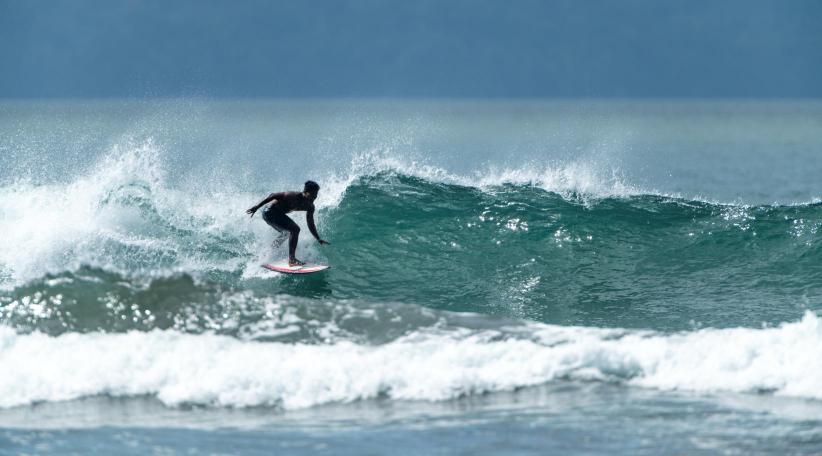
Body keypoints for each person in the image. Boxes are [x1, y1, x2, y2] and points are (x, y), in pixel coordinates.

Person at [246, 180, 329, 266]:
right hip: (269, 212)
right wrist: (256, 207)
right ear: (306, 192)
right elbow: (272, 195)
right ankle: (292, 259)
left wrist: (318, 238)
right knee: (295, 229)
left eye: (316, 194)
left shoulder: (310, 206)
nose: (315, 196)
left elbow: (310, 223)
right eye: (313, 194)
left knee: (286, 233)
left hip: (278, 214)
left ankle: (268, 253)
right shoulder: (292, 196)